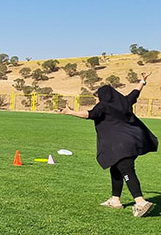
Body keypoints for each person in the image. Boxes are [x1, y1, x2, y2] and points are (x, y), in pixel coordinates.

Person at [58, 73, 157, 217]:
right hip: (135, 142)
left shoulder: (103, 107)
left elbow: (88, 114)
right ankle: (115, 200)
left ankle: (140, 202)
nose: (96, 101)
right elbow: (136, 93)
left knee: (127, 170)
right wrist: (142, 81)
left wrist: (69, 112)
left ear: (102, 97)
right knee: (116, 168)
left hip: (120, 146)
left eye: (96, 98)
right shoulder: (124, 102)